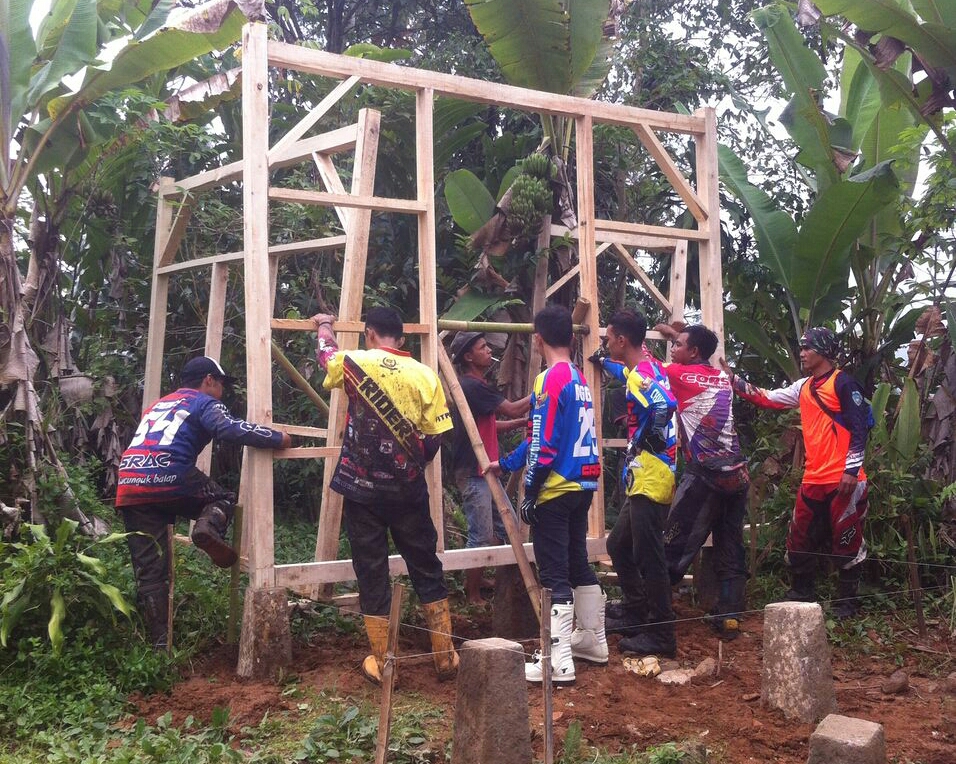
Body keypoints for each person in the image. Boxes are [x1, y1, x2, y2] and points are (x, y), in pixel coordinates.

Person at [312, 308, 458, 684]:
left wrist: (324, 325)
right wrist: (409, 464)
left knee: (372, 569)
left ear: (369, 333)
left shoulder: (355, 362)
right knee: (425, 563)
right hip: (408, 491)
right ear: (403, 339)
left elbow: (325, 355)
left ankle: (385, 662)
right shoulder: (425, 375)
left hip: (362, 493)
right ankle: (445, 656)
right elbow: (435, 437)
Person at [116, 356, 291, 649]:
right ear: (209, 380)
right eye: (221, 383)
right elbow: (227, 428)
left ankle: (159, 649)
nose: (223, 390)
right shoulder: (203, 402)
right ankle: (208, 528)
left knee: (150, 572)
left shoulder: (158, 405)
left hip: (131, 483)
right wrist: (277, 437)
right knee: (222, 498)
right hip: (170, 474)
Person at [721, 327, 871, 618]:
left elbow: (859, 428)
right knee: (799, 535)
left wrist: (851, 471)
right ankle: (802, 591)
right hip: (813, 478)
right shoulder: (804, 386)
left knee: (847, 536)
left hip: (844, 478)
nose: (802, 353)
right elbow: (768, 398)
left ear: (824, 351)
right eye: (801, 348)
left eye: (807, 348)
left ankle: (847, 602)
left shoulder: (844, 384)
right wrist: (733, 380)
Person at [488, 304, 602, 684]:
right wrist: (504, 464)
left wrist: (531, 492)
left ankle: (558, 660)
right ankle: (592, 639)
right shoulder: (577, 378)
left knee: (554, 573)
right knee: (577, 562)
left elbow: (543, 446)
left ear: (538, 340)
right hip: (582, 484)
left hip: (556, 487)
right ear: (570, 338)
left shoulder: (548, 380)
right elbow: (543, 438)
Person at [653, 322, 750, 640]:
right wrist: (676, 334)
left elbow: (643, 364)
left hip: (706, 475)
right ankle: (731, 617)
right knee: (730, 545)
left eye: (678, 345)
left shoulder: (677, 375)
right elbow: (696, 351)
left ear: (693, 351)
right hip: (737, 475)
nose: (672, 348)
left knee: (673, 543)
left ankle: (651, 614)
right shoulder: (723, 376)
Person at [589, 309, 678, 657]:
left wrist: (644, 438)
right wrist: (601, 360)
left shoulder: (642, 378)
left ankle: (661, 634)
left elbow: (663, 404)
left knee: (648, 554)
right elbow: (625, 373)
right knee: (620, 547)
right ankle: (636, 610)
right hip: (647, 474)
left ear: (622, 340)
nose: (606, 342)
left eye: (608, 338)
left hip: (651, 474)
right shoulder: (648, 366)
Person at [448, 331, 530, 603]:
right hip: (475, 472)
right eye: (482, 347)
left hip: (486, 471)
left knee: (510, 528)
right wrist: (544, 390)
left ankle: (484, 580)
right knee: (482, 536)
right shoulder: (473, 386)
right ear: (469, 357)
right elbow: (513, 410)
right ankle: (472, 594)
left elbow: (491, 425)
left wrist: (520, 425)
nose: (488, 351)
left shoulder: (474, 387)